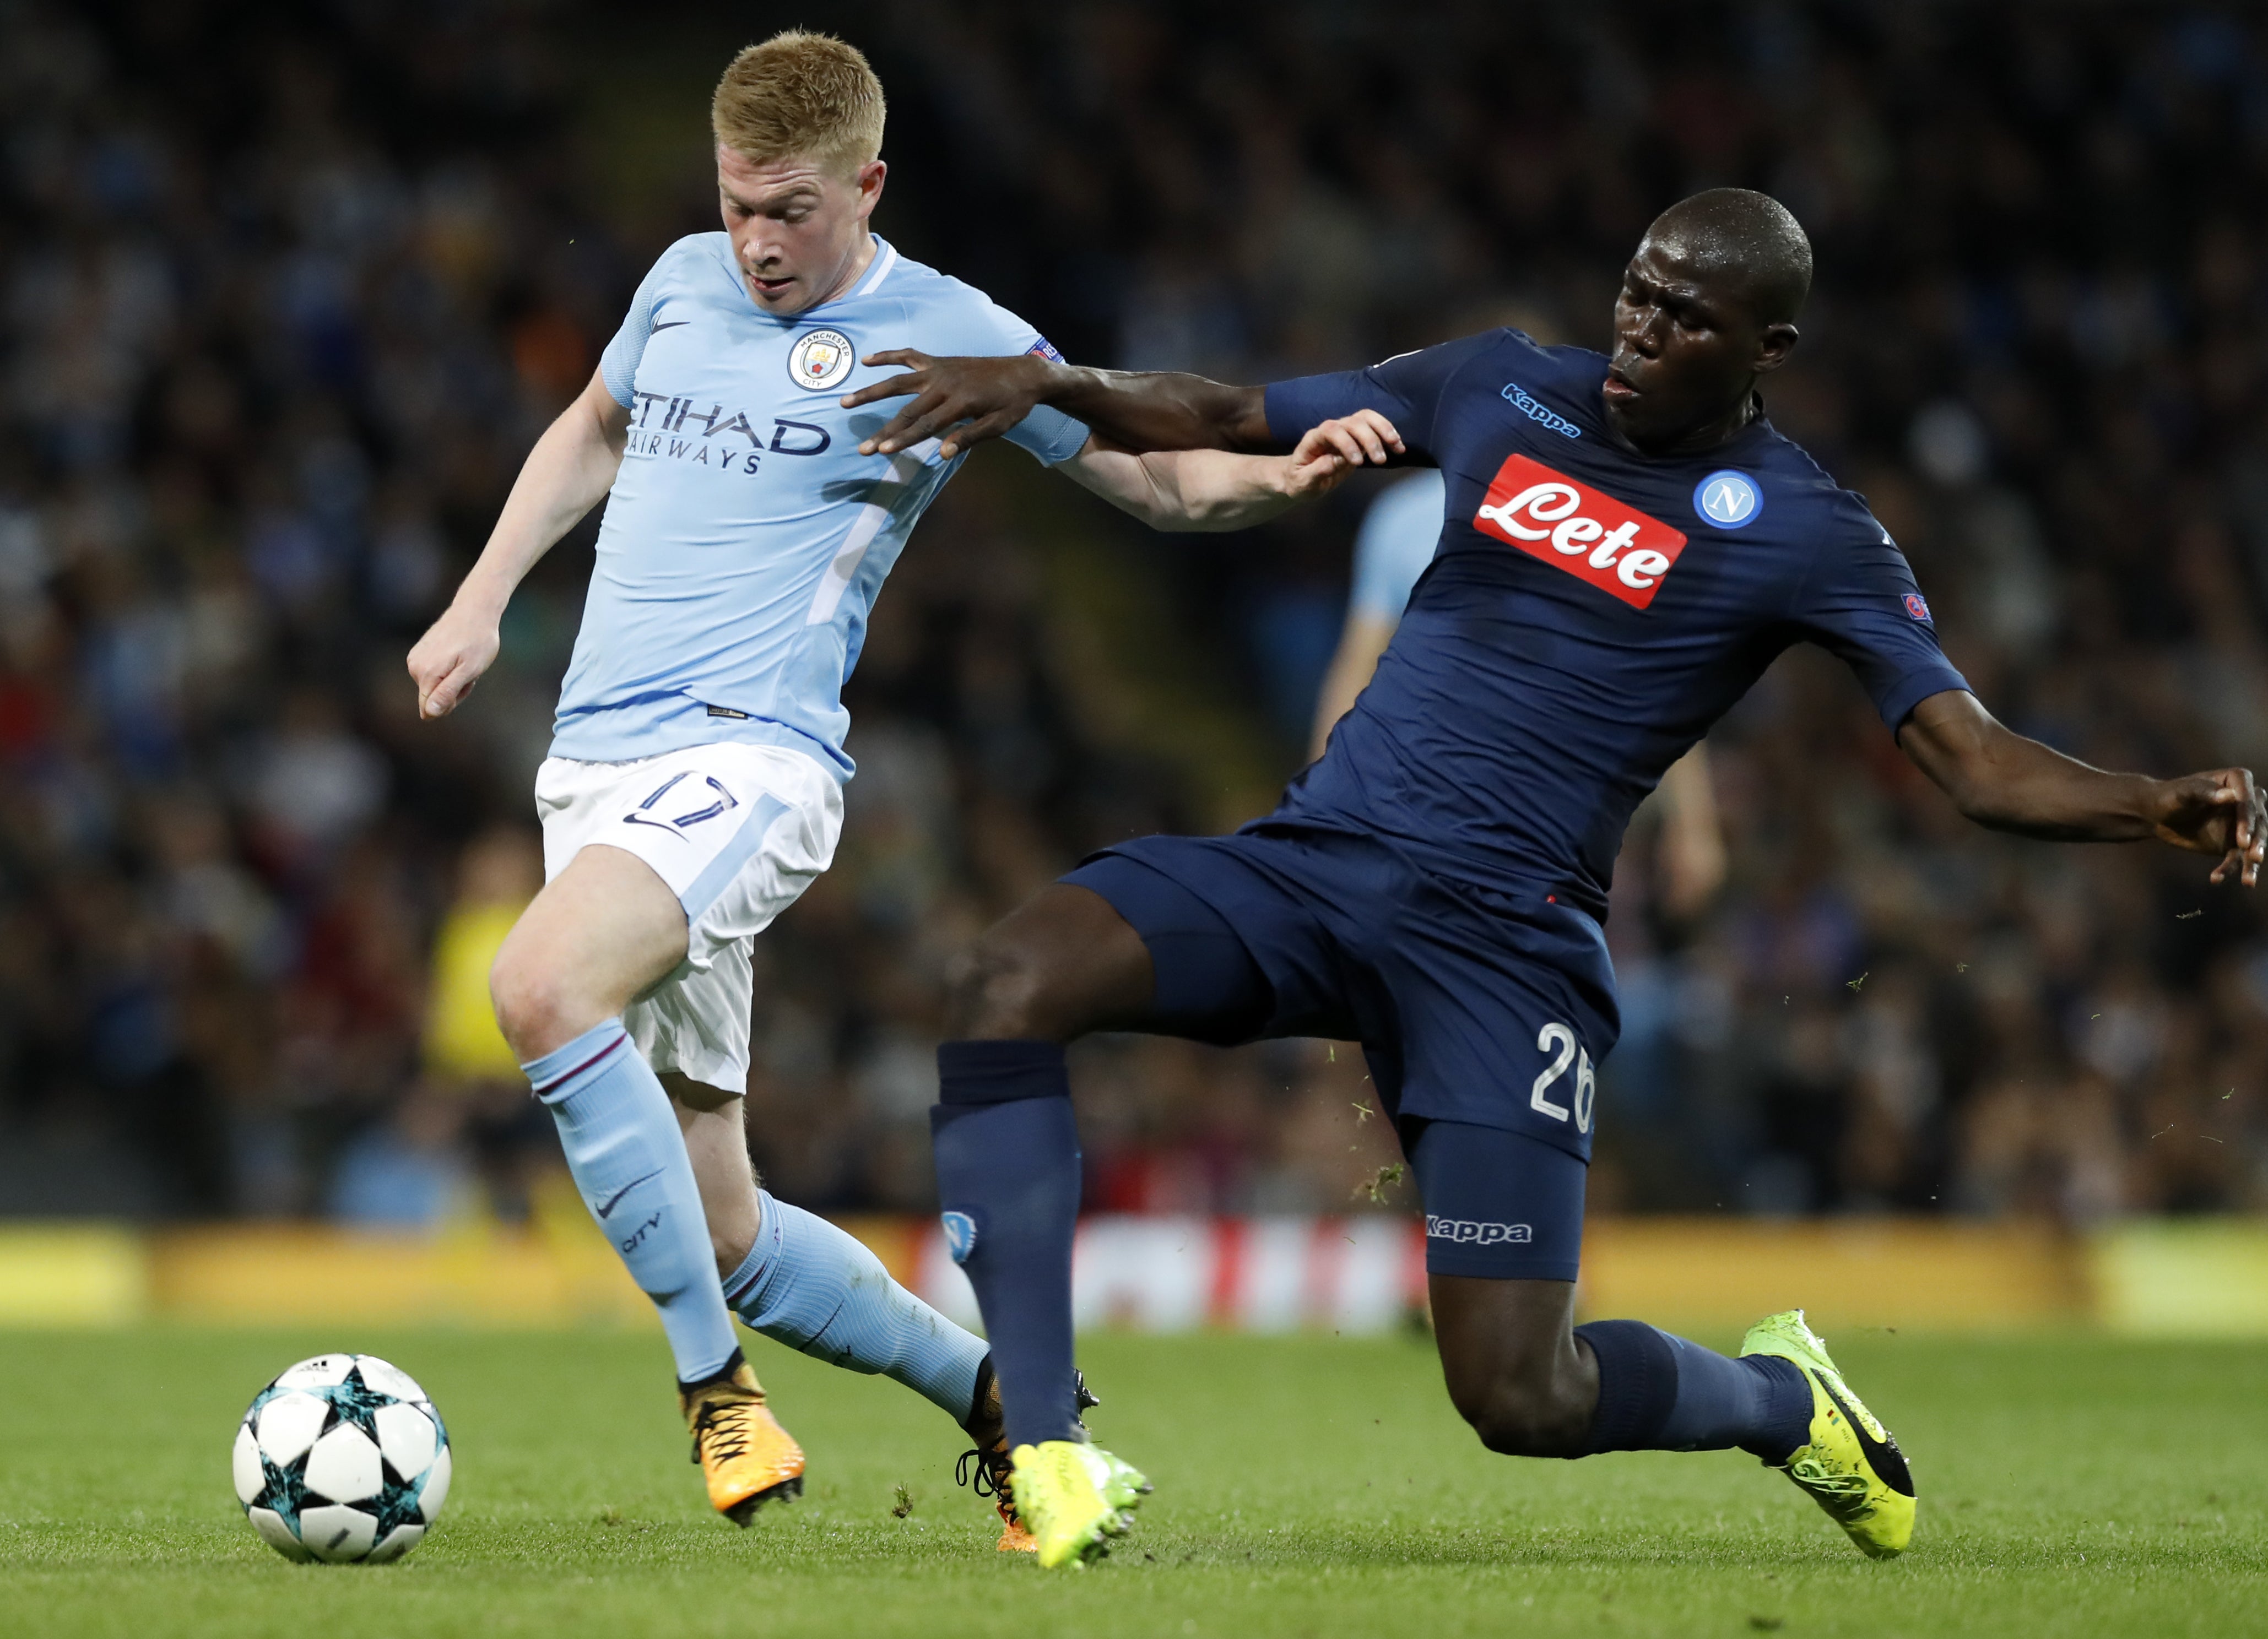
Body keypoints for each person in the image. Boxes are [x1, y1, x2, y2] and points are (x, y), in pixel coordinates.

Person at [836, 187, 2267, 1568]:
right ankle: (1042, 1436)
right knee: (1010, 975)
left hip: (1503, 957)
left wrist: (2146, 803)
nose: (1642, 331)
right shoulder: (1497, 388)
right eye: (1636, 295)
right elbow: (1221, 413)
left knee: (1522, 1400)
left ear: (1766, 349)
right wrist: (1043, 385)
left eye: (1685, 318)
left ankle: (1786, 1404)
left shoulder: (1803, 527)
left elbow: (1969, 760)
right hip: (1319, 868)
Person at [404, 32, 1387, 1542]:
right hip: (592, 769)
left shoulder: (949, 331)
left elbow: (1157, 479)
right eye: (736, 203)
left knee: (538, 989)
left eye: (790, 209)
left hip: (749, 755)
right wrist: (480, 597)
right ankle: (1003, 1407)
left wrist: (1287, 470)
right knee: (723, 1225)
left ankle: (710, 1396)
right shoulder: (676, 281)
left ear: (867, 183)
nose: (756, 241)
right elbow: (594, 427)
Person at [1312, 468, 1725, 915]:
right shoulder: (1403, 517)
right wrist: (1320, 808)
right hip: (1422, 803)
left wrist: (1695, 822)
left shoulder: (1588, 521)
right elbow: (1355, 670)